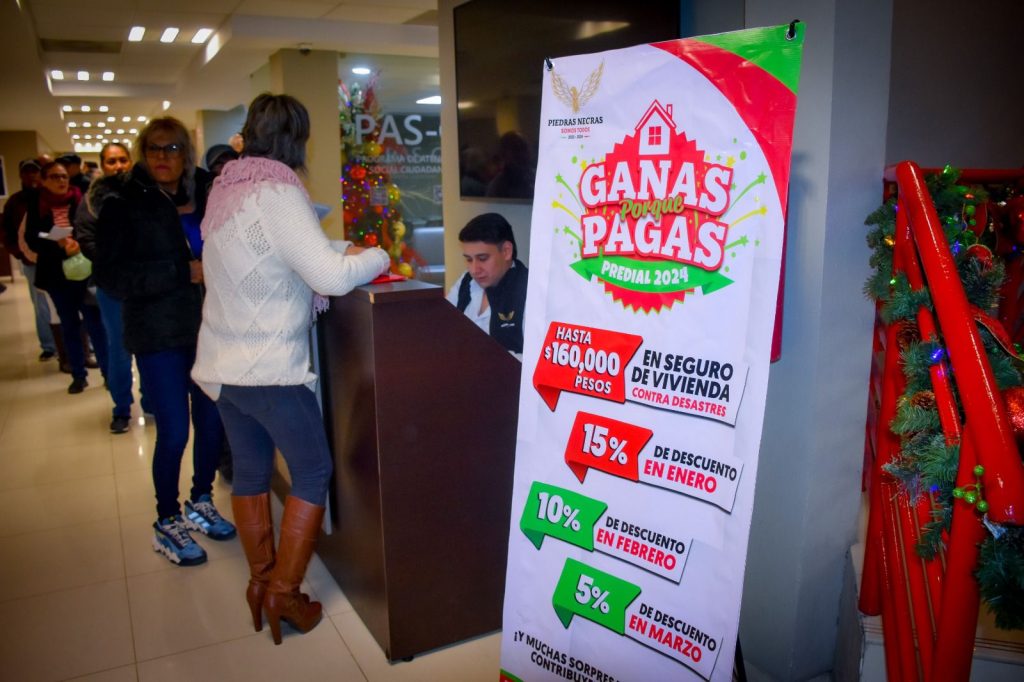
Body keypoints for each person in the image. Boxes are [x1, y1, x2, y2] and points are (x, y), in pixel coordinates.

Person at [192, 93, 390, 644]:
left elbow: (268, 253)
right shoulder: (279, 190)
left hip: (224, 368)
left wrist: (333, 247)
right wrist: (376, 257)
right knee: (313, 470)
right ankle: (284, 593)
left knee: (252, 472)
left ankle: (260, 585)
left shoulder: (226, 186)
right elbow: (328, 277)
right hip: (268, 370)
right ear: (297, 139)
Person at [94, 118, 235, 566]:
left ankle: (200, 499)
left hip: (210, 328)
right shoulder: (123, 203)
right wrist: (180, 273)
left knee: (211, 422)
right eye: (153, 148)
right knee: (174, 430)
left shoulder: (208, 192)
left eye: (172, 147)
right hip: (157, 334)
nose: (162, 156)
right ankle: (167, 517)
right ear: (142, 152)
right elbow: (111, 277)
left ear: (186, 154)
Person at [74, 142, 149, 433]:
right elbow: (86, 240)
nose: (118, 166)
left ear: (130, 161)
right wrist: (116, 259)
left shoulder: (145, 193)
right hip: (112, 286)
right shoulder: (92, 201)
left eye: (122, 160)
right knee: (119, 348)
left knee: (149, 345)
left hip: (145, 285)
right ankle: (121, 408)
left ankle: (151, 400)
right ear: (103, 165)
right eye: (111, 161)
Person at [23, 161, 108, 393]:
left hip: (85, 273)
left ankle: (107, 373)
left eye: (63, 176)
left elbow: (95, 231)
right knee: (69, 325)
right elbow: (31, 239)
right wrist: (58, 245)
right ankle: (78, 374)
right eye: (54, 177)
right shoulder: (36, 204)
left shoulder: (82, 200)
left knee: (95, 325)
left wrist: (79, 244)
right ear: (43, 180)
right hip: (56, 276)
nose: (61, 181)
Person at [446, 212, 528, 356]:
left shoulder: (529, 290)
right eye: (469, 260)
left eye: (482, 258)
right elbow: (444, 327)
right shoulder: (466, 281)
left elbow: (533, 360)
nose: (474, 270)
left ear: (506, 251)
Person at [1, 159, 58, 360]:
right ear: (21, 175)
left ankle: (72, 344)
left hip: (56, 259)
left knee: (64, 303)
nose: (31, 175)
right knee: (40, 304)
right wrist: (20, 253)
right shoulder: (15, 202)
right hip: (31, 262)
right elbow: (7, 232)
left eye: (35, 171)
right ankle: (49, 345)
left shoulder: (50, 197)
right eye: (27, 172)